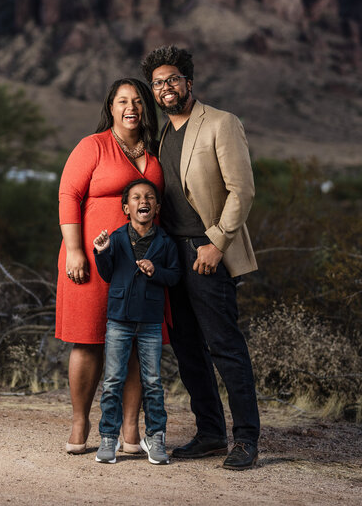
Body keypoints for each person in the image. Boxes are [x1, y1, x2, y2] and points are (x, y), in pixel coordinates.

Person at [141, 45, 260, 470]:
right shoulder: (162, 134)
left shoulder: (222, 123)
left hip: (206, 251)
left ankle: (245, 439)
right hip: (172, 254)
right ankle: (210, 433)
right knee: (189, 348)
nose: (165, 88)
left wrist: (217, 242)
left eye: (172, 79)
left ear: (188, 82)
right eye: (157, 83)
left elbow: (241, 191)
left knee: (225, 346)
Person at [55, 78, 164, 455]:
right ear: (111, 107)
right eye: (122, 101)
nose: (130, 107)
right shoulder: (93, 146)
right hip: (92, 256)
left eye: (137, 100)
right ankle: (80, 423)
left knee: (135, 341)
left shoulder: (154, 150)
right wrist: (74, 250)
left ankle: (130, 432)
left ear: (145, 108)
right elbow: (69, 194)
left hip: (141, 263)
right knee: (88, 339)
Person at [93, 179, 181, 465]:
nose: (143, 201)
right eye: (136, 197)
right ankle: (108, 438)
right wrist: (102, 251)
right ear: (126, 207)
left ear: (156, 207)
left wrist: (156, 271)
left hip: (151, 321)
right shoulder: (116, 238)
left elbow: (175, 276)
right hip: (118, 319)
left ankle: (155, 438)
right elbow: (107, 274)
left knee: (153, 382)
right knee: (112, 381)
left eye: (149, 197)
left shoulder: (166, 242)